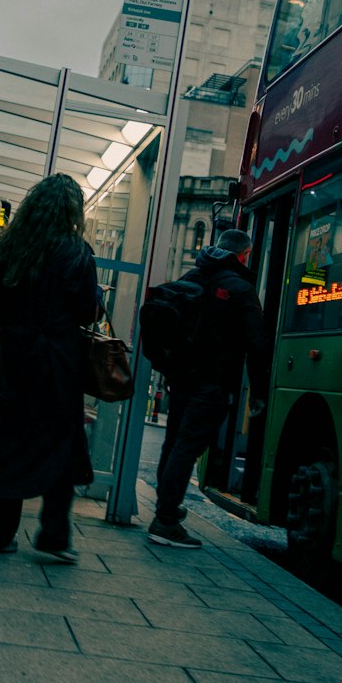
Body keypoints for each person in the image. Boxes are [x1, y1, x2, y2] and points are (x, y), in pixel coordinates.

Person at [0, 173, 99, 562]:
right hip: (57, 365)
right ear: (72, 211)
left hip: (12, 359)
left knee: (4, 442)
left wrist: (10, 333)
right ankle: (54, 536)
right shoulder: (78, 253)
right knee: (60, 446)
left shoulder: (10, 247)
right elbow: (87, 311)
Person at [149, 226, 270, 549]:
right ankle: (165, 520)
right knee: (187, 447)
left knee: (174, 442)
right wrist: (258, 392)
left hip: (182, 377)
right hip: (213, 383)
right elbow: (257, 343)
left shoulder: (194, 275)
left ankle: (167, 507)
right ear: (243, 254)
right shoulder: (241, 288)